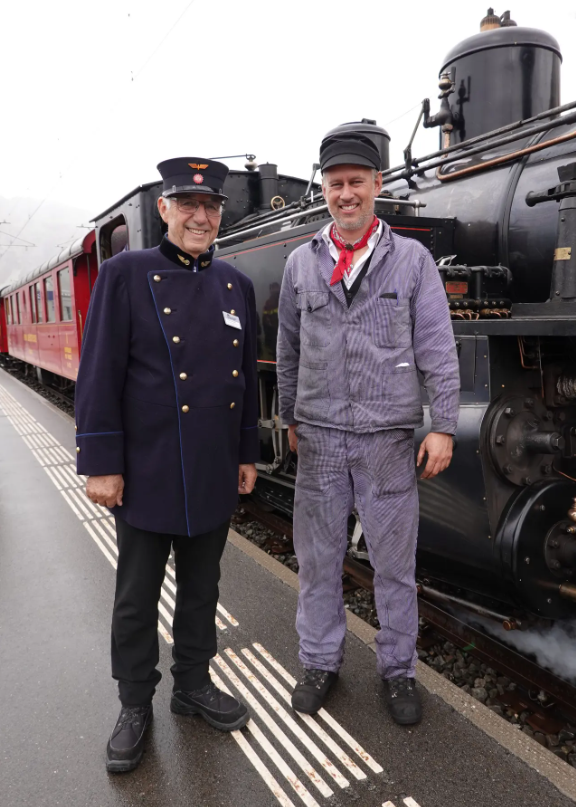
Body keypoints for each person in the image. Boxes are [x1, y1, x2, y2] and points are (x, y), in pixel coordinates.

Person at [75, 157, 259, 772]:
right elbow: (99, 372)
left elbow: (247, 384)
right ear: (164, 210)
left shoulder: (236, 284)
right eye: (188, 205)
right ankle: (134, 704)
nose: (200, 217)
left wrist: (245, 454)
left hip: (210, 467)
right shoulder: (126, 273)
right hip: (147, 469)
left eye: (210, 207)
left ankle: (192, 685)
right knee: (136, 596)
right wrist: (101, 462)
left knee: (203, 590)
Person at [276, 132, 460, 725]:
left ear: (378, 186)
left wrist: (445, 425)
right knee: (319, 560)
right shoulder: (300, 263)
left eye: (357, 182)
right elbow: (288, 348)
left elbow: (438, 346)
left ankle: (399, 672)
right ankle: (319, 662)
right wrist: (289, 416)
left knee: (393, 566)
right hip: (322, 437)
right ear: (325, 190)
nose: (346, 193)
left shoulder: (411, 261)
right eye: (336, 184)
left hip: (385, 440)